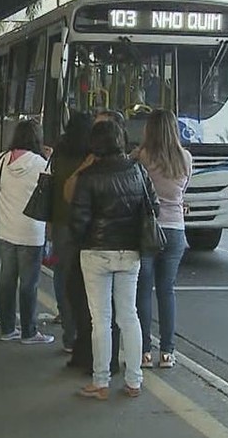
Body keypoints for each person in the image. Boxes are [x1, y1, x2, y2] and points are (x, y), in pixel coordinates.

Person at [69, 120, 154, 399]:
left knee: (101, 320)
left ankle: (101, 381)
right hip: (130, 252)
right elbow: (151, 206)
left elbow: (78, 220)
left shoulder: (89, 176)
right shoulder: (138, 171)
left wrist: (84, 239)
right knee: (129, 316)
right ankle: (134, 380)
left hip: (95, 252)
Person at [134, 109, 192, 370]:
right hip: (175, 230)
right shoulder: (185, 158)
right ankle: (167, 352)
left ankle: (144, 351)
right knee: (167, 291)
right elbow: (182, 191)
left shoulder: (141, 157)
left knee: (143, 291)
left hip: (147, 229)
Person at [0, 120, 54, 344]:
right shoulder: (41, 164)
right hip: (32, 231)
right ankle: (29, 331)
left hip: (6, 229)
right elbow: (49, 194)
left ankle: (7, 328)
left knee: (7, 280)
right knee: (29, 283)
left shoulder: (1, 160)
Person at [49, 112, 93, 353]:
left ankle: (69, 334)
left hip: (60, 221)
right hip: (85, 223)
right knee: (85, 280)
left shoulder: (59, 152)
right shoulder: (92, 156)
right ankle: (84, 333)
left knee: (62, 275)